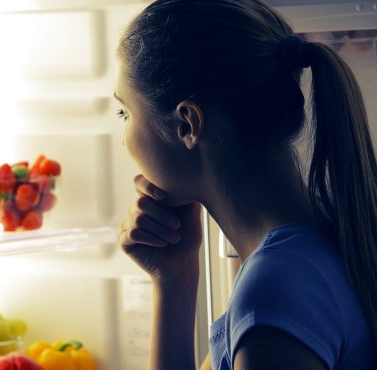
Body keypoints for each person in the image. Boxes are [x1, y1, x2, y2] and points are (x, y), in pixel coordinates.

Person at [114, 0, 377, 369]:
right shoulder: (320, 241)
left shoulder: (274, 292)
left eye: (125, 112)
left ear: (187, 124)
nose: (123, 139)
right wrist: (175, 278)